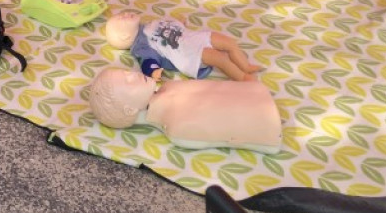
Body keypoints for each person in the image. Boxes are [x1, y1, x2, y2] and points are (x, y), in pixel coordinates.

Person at [85, 67, 282, 153]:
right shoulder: (178, 128)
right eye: (128, 82)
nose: (134, 75)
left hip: (258, 94)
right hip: (269, 125)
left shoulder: (170, 87)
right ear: (129, 109)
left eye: (127, 73)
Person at [105, 11, 262, 82]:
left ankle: (246, 66)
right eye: (122, 19)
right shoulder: (141, 46)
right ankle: (243, 78)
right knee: (221, 59)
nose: (124, 14)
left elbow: (167, 29)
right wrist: (152, 71)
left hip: (193, 38)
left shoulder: (148, 25)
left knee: (229, 43)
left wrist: (179, 23)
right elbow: (147, 60)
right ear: (125, 36)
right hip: (187, 53)